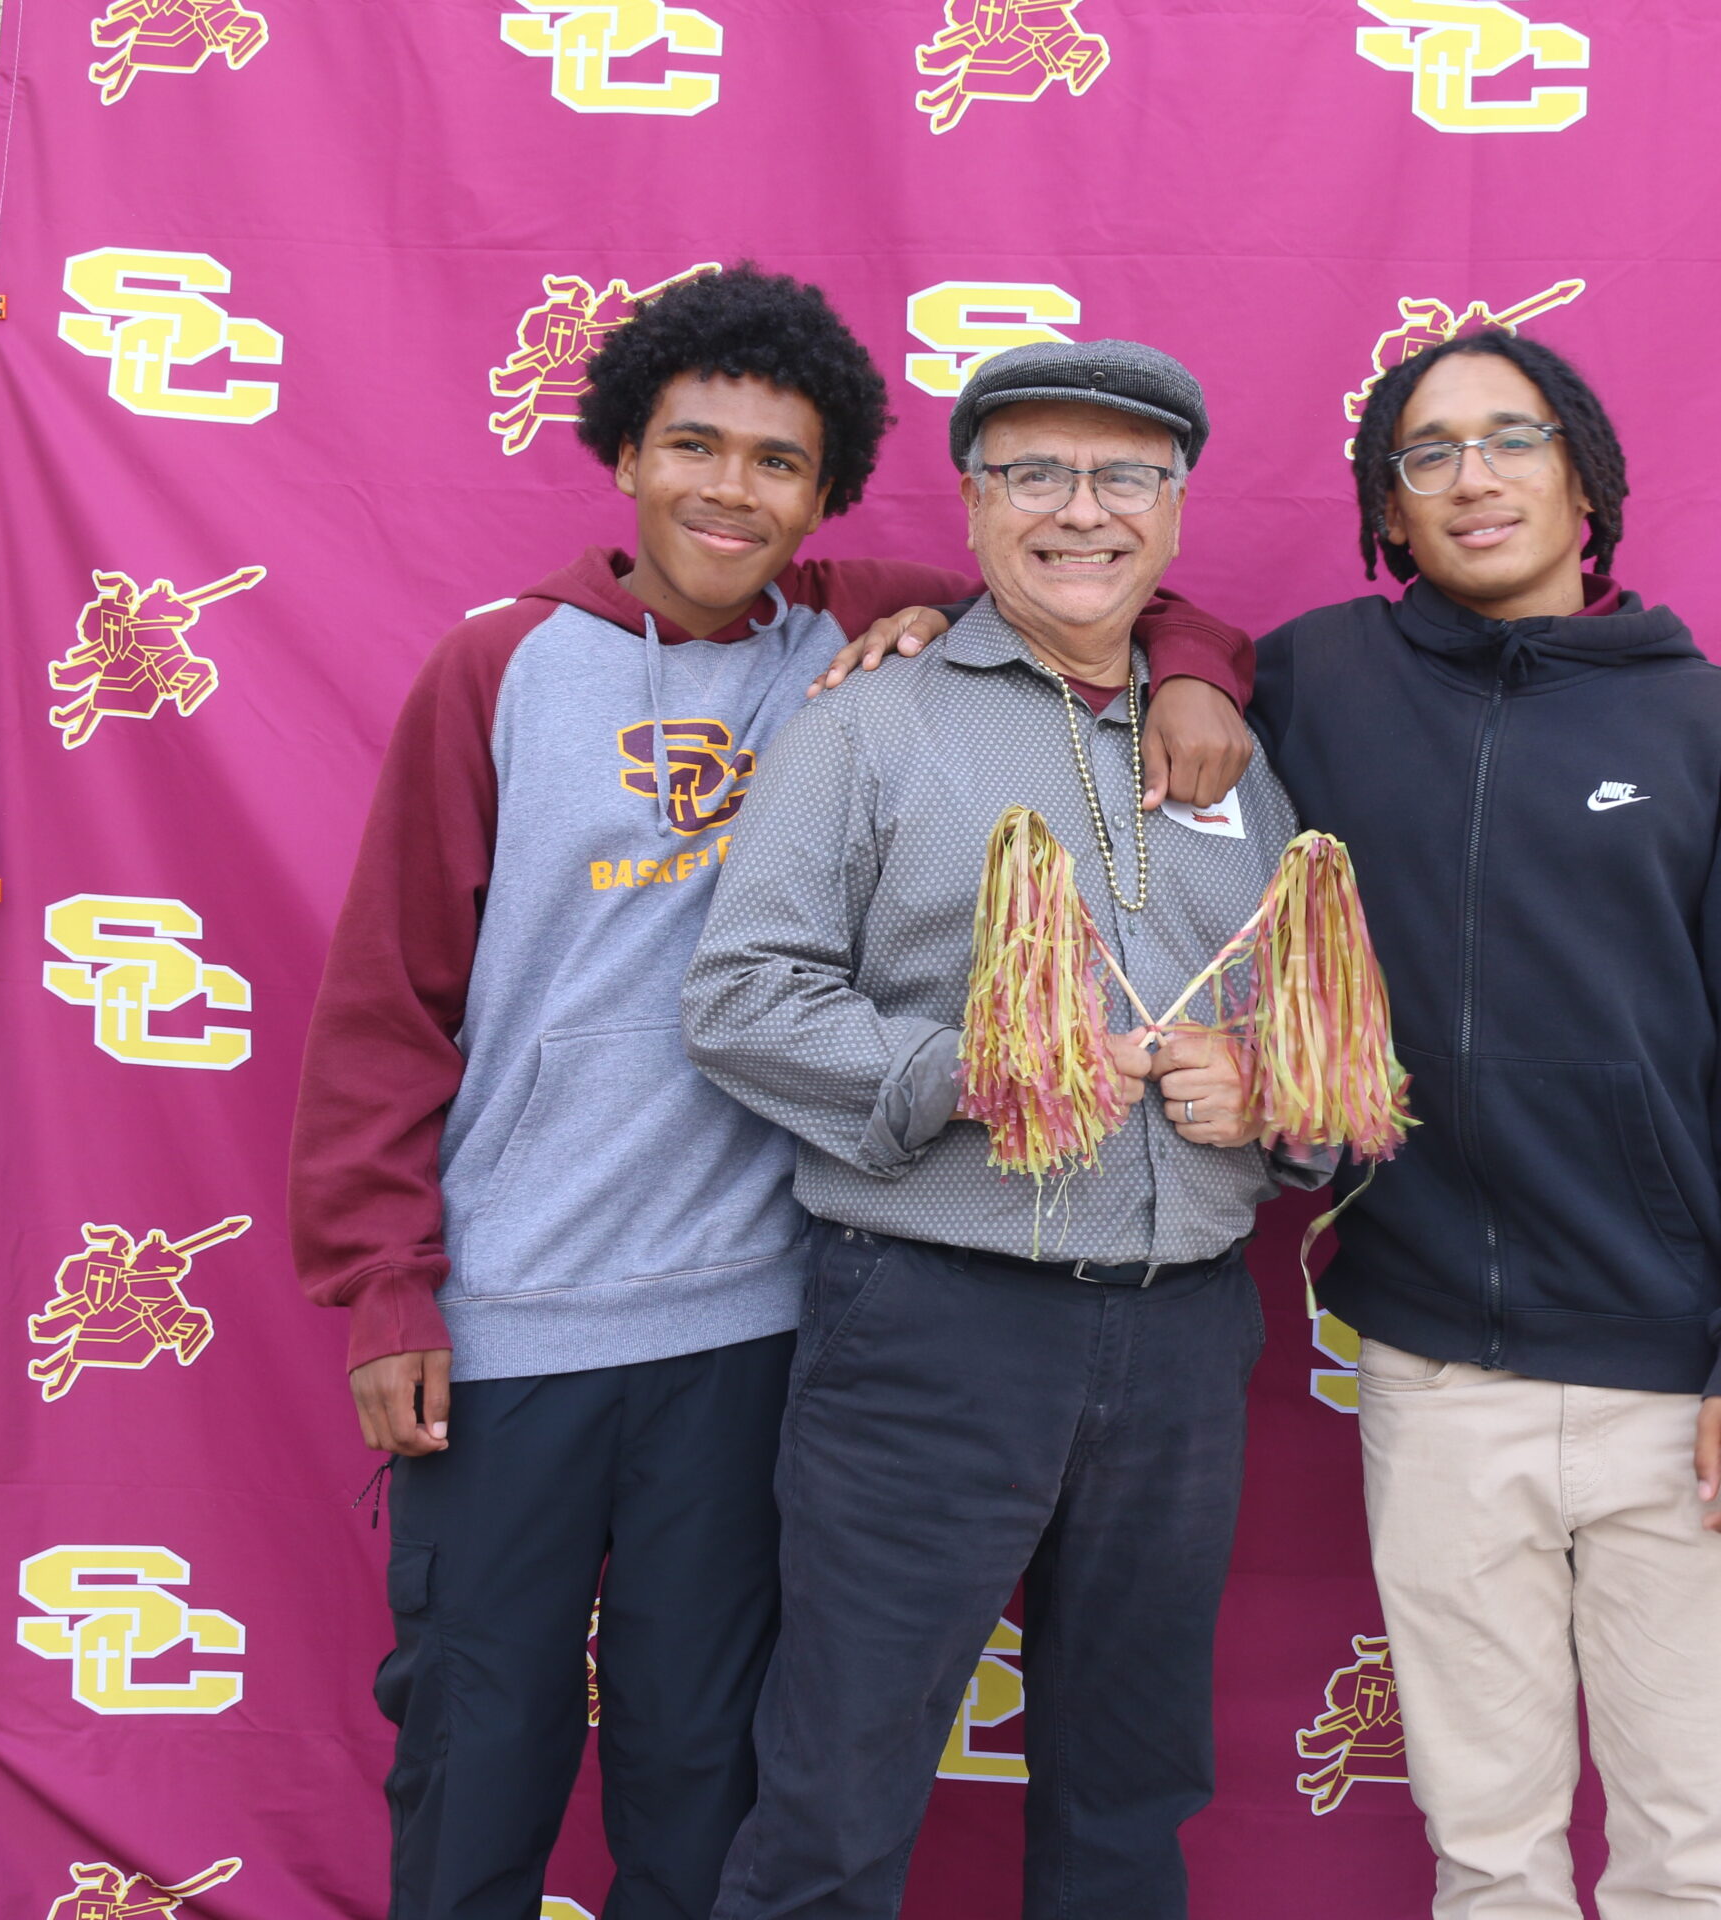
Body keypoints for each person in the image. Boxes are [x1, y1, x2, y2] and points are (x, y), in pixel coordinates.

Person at [287, 270, 1253, 1920]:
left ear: (829, 492)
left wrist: (1192, 661)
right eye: (695, 447)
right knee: (478, 1732)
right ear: (624, 456)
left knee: (702, 1760)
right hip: (520, 1312)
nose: (730, 491)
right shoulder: (506, 669)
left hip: (753, 1318)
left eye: (778, 463)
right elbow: (392, 1003)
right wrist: (386, 1283)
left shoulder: (860, 631)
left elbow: (1093, 583)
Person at [681, 338, 1319, 1920]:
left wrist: (1282, 1107)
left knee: (1130, 1789)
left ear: (1173, 515)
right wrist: (976, 1067)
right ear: (973, 508)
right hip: (932, 1325)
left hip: (1182, 1344)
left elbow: (1318, 1030)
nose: (1080, 512)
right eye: (1034, 473)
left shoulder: (1233, 755)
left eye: (1124, 478)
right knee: (839, 1786)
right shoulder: (869, 723)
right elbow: (742, 997)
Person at [1251, 329, 1721, 1918]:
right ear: (1388, 512)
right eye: (1428, 451)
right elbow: (1119, 623)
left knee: (1683, 1853)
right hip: (1441, 1373)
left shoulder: (1715, 725)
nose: (1473, 477)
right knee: (1490, 1853)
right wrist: (1176, 666)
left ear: (1584, 479)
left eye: (1511, 439)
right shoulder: (1320, 679)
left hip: (1681, 1384)